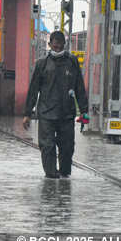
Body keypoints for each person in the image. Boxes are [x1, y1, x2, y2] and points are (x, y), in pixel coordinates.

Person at [23, 31, 88, 178]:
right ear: (50, 45)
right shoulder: (42, 64)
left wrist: (84, 112)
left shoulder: (72, 62)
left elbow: (80, 88)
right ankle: (51, 176)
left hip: (67, 113)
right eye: (55, 46)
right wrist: (27, 113)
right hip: (46, 113)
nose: (57, 48)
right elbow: (33, 89)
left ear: (65, 45)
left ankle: (65, 174)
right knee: (47, 146)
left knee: (67, 147)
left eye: (60, 46)